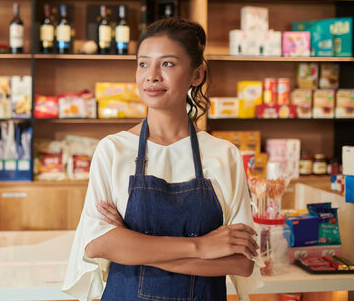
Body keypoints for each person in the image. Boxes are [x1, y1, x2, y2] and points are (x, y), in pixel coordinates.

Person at [62, 18, 264, 301]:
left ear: (197, 74)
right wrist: (202, 247)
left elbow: (241, 262)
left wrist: (134, 245)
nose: (152, 75)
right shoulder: (114, 150)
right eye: (143, 63)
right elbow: (97, 245)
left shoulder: (224, 155)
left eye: (167, 64)